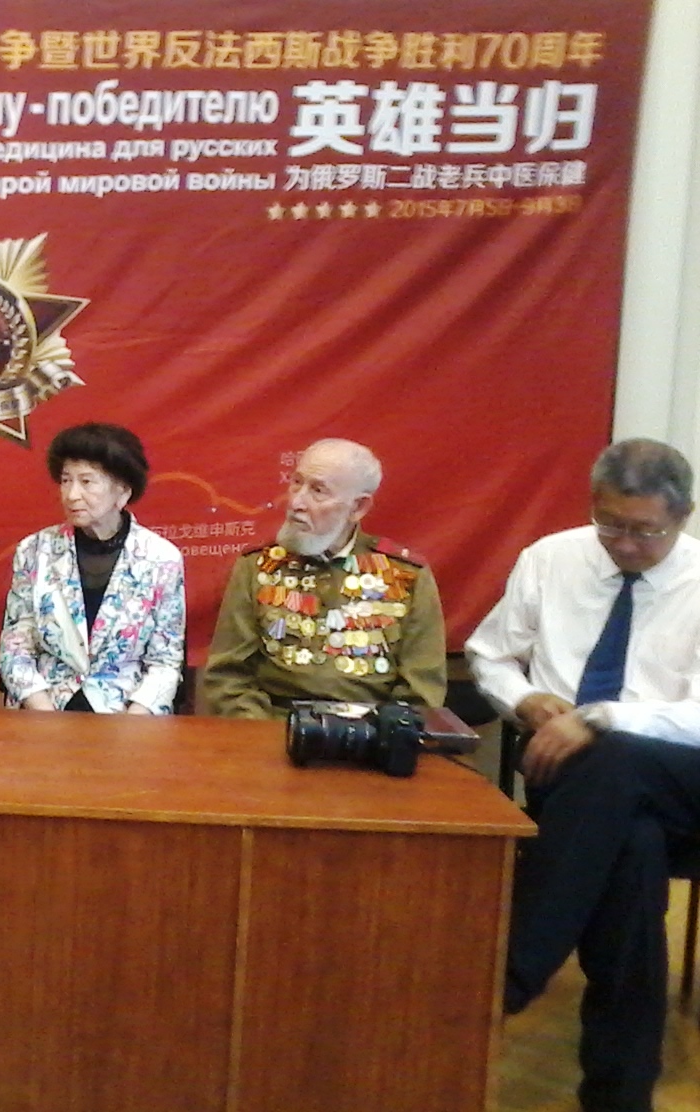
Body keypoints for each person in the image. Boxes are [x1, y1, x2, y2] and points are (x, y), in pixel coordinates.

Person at [467, 438, 700, 1112]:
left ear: (682, 517)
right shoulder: (550, 558)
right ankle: (619, 1092)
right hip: (581, 795)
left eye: (645, 532)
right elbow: (489, 655)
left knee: (615, 758)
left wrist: (598, 719)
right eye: (610, 524)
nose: (624, 544)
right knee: (633, 849)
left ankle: (511, 974)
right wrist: (525, 700)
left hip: (684, 779)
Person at [203, 438, 446, 718]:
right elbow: (228, 678)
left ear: (358, 508)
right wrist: (263, 733)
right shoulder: (257, 567)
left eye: (318, 491)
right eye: (296, 483)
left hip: (373, 733)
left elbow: (421, 691)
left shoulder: (406, 575)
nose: (296, 502)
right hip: (271, 728)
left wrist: (385, 735)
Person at [0, 423, 185, 713]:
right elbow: (15, 646)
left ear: (122, 492)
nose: (72, 494)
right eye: (66, 480)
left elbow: (165, 662)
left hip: (128, 713)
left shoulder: (161, 559)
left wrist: (134, 721)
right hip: (45, 707)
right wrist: (43, 714)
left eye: (87, 482)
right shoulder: (34, 551)